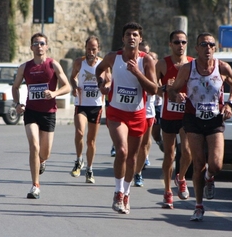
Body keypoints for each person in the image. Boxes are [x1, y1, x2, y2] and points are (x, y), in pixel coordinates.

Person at [170, 32, 232, 221]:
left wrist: (229, 104)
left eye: (211, 45)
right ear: (197, 48)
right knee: (198, 163)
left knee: (216, 165)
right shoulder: (187, 68)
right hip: (193, 119)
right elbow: (173, 89)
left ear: (214, 48)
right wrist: (178, 95)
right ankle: (198, 206)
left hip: (215, 120)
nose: (207, 48)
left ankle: (210, 177)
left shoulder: (223, 67)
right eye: (203, 45)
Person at [95, 22, 158, 214]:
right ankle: (117, 191)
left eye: (135, 35)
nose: (132, 37)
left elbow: (154, 89)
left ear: (140, 39)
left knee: (132, 157)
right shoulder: (113, 57)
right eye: (128, 34)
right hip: (116, 112)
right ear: (123, 38)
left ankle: (127, 193)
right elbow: (99, 70)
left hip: (137, 114)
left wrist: (137, 73)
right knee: (121, 151)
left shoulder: (146, 61)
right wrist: (102, 84)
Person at [12, 33, 71, 199]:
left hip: (48, 113)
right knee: (34, 146)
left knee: (45, 153)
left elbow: (67, 87)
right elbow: (15, 87)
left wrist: (54, 93)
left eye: (42, 43)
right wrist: (17, 104)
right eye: (35, 43)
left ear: (47, 46)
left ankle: (42, 161)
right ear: (31, 47)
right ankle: (35, 186)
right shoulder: (25, 67)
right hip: (31, 112)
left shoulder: (53, 65)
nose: (39, 46)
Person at [155, 30, 194, 209]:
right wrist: (165, 88)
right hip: (169, 115)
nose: (180, 45)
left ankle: (181, 177)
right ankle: (167, 191)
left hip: (187, 114)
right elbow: (152, 87)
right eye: (177, 42)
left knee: (187, 151)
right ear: (170, 44)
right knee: (169, 155)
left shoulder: (193, 64)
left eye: (183, 42)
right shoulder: (162, 64)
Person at [69, 36, 109, 183]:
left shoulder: (103, 64)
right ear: (85, 48)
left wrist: (105, 86)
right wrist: (74, 87)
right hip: (81, 104)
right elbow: (72, 77)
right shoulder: (79, 62)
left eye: (94, 49)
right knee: (79, 132)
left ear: (98, 49)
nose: (91, 51)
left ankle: (90, 169)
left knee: (91, 141)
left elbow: (109, 79)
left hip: (96, 105)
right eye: (88, 49)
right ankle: (79, 160)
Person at [133, 41, 159, 187]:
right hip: (131, 109)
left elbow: (157, 88)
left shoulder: (153, 66)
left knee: (143, 145)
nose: (143, 54)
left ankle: (138, 173)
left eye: (146, 52)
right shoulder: (129, 64)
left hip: (148, 111)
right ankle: (129, 169)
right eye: (141, 51)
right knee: (130, 145)